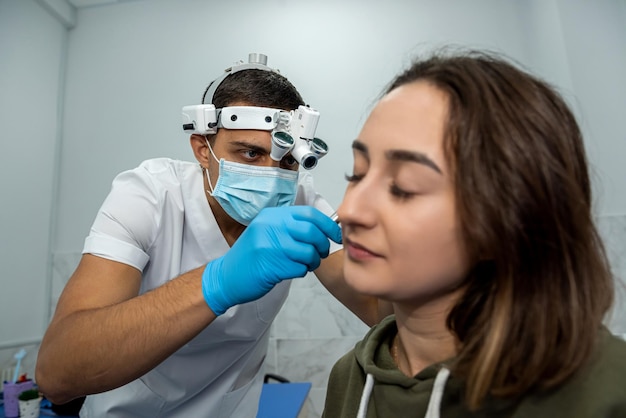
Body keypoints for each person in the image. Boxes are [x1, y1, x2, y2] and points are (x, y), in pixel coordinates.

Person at [35, 53, 386, 417]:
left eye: (287, 160)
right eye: (250, 153)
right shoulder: (150, 195)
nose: (272, 176)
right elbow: (56, 375)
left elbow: (383, 310)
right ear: (204, 149)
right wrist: (217, 281)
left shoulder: (300, 200)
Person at [322, 49, 626, 418]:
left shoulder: (604, 391)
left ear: (507, 217)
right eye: (356, 174)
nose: (351, 210)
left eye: (403, 186)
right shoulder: (349, 380)